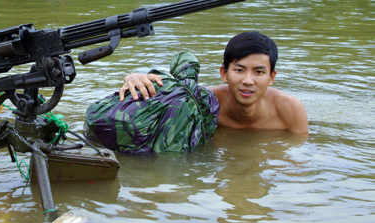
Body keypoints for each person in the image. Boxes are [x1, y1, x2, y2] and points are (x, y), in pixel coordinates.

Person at [118, 32, 308, 133]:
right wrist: (134, 77)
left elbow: (297, 163)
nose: (248, 81)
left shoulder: (290, 110)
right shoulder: (204, 102)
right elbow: (166, 92)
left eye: (259, 72)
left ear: (271, 77)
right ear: (224, 74)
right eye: (239, 70)